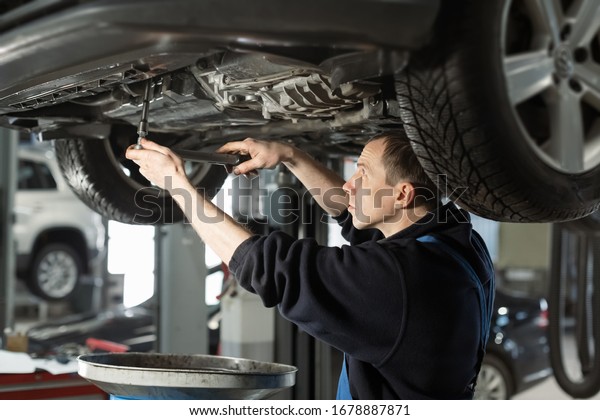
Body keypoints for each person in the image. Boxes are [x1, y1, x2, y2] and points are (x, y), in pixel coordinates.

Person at [126, 131, 495, 400]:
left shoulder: (399, 282)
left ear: (402, 195)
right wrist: (290, 154)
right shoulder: (456, 240)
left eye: (362, 174)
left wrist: (177, 185)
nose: (349, 186)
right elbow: (355, 216)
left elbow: (265, 265)